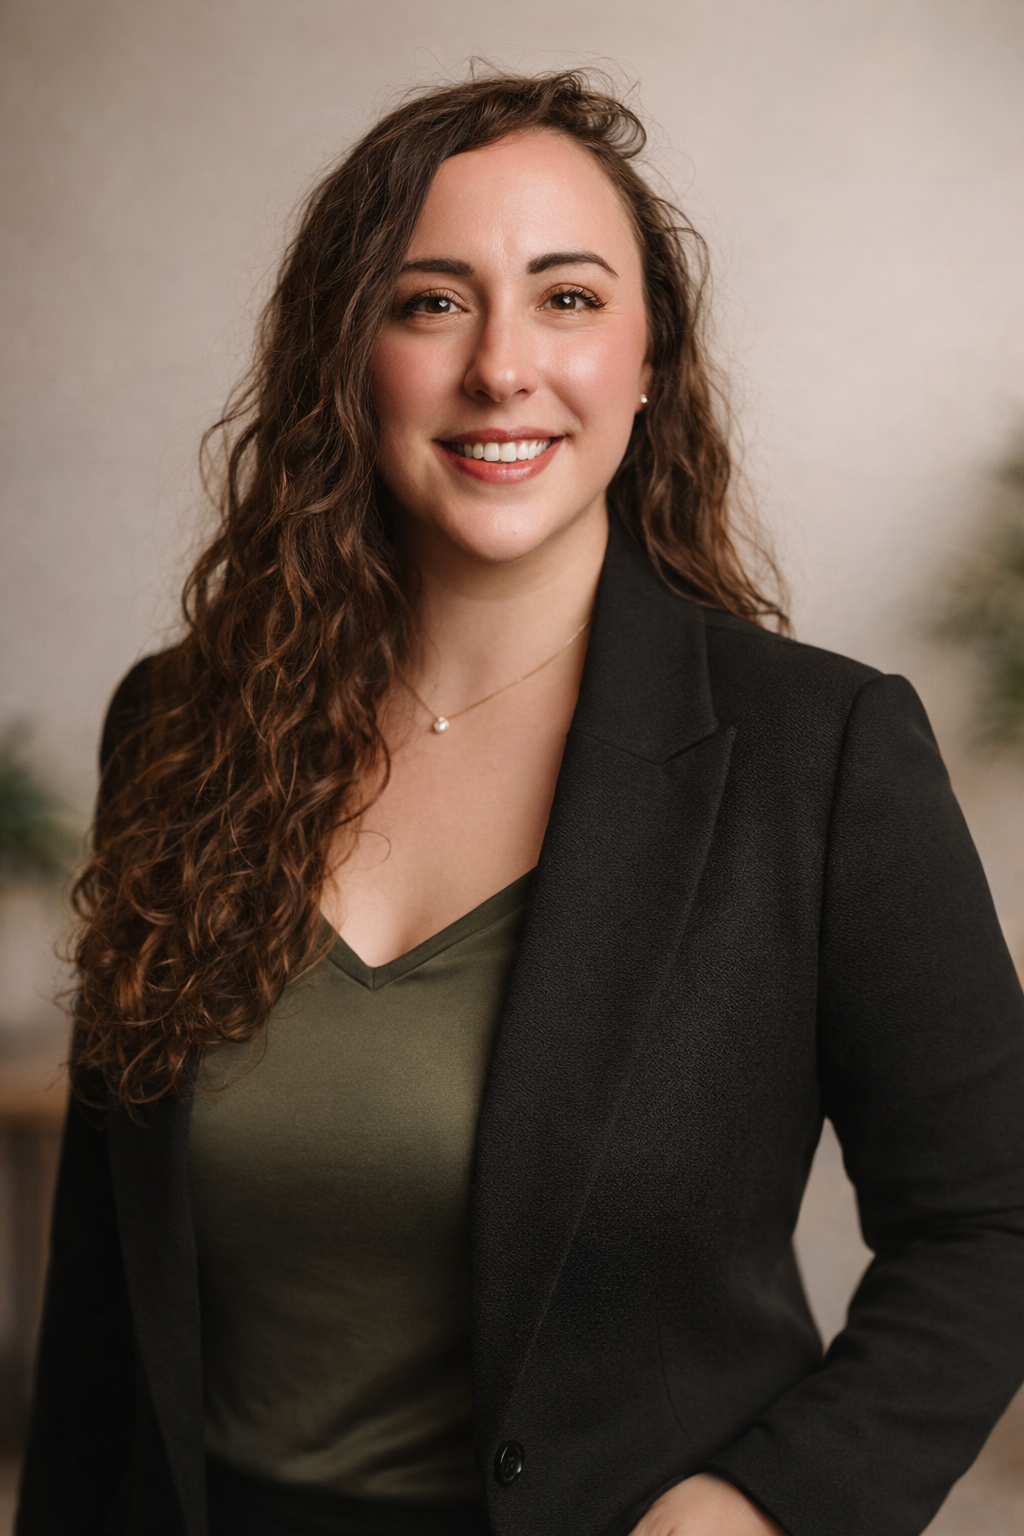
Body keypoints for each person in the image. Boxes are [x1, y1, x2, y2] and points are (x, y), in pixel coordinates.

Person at [16, 69, 1024, 1536]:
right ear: (347, 356)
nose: (503, 367)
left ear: (648, 362)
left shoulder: (823, 753)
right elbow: (109, 1296)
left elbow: (993, 1222)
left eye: (567, 299)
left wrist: (755, 1510)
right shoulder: (175, 726)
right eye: (431, 302)